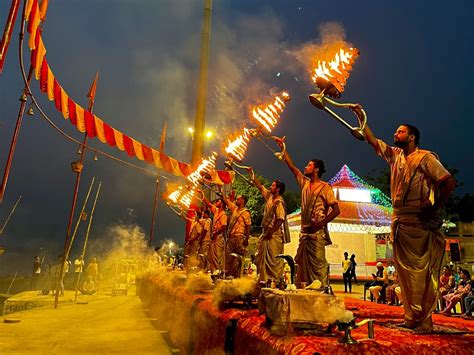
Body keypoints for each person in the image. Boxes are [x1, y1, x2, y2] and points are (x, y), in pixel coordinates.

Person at [353, 106, 457, 332]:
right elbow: (372, 140)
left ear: (412, 137)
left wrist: (434, 209)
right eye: (395, 132)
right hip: (400, 220)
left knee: (420, 272)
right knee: (405, 274)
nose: (395, 134)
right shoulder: (395, 156)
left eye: (400, 132)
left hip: (419, 221)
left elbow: (448, 182)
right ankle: (411, 317)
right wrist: (360, 116)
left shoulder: (425, 158)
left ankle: (423, 319)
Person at [275, 138, 340, 288]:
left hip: (317, 235)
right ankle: (304, 293)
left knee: (318, 266)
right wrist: (283, 148)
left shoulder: (325, 188)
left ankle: (321, 295)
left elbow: (336, 210)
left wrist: (320, 224)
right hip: (304, 234)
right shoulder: (304, 183)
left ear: (316, 169)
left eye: (309, 165)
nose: (305, 167)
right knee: (301, 266)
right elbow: (292, 167)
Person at [249, 168, 288, 283]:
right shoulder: (270, 198)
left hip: (274, 236)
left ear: (278, 189)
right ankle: (263, 282)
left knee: (273, 261)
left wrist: (270, 233)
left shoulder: (279, 202)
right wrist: (252, 174)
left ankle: (273, 284)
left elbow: (280, 219)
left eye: (273, 186)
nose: (270, 187)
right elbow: (260, 187)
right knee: (262, 261)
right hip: (266, 234)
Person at [222, 193, 251, 278]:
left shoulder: (245, 213)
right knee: (228, 258)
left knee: (237, 258)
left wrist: (246, 239)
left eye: (238, 199)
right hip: (231, 237)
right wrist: (220, 187)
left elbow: (248, 226)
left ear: (242, 200)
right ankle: (227, 275)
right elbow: (226, 200)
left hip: (239, 237)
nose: (236, 200)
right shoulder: (234, 209)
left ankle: (236, 277)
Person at [202, 197, 227, 273]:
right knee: (211, 256)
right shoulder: (216, 211)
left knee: (217, 256)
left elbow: (224, 226)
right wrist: (202, 194)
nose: (216, 202)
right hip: (214, 237)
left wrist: (215, 233)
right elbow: (209, 204)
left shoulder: (223, 214)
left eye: (218, 201)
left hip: (218, 237)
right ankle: (213, 273)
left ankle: (218, 273)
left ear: (222, 203)